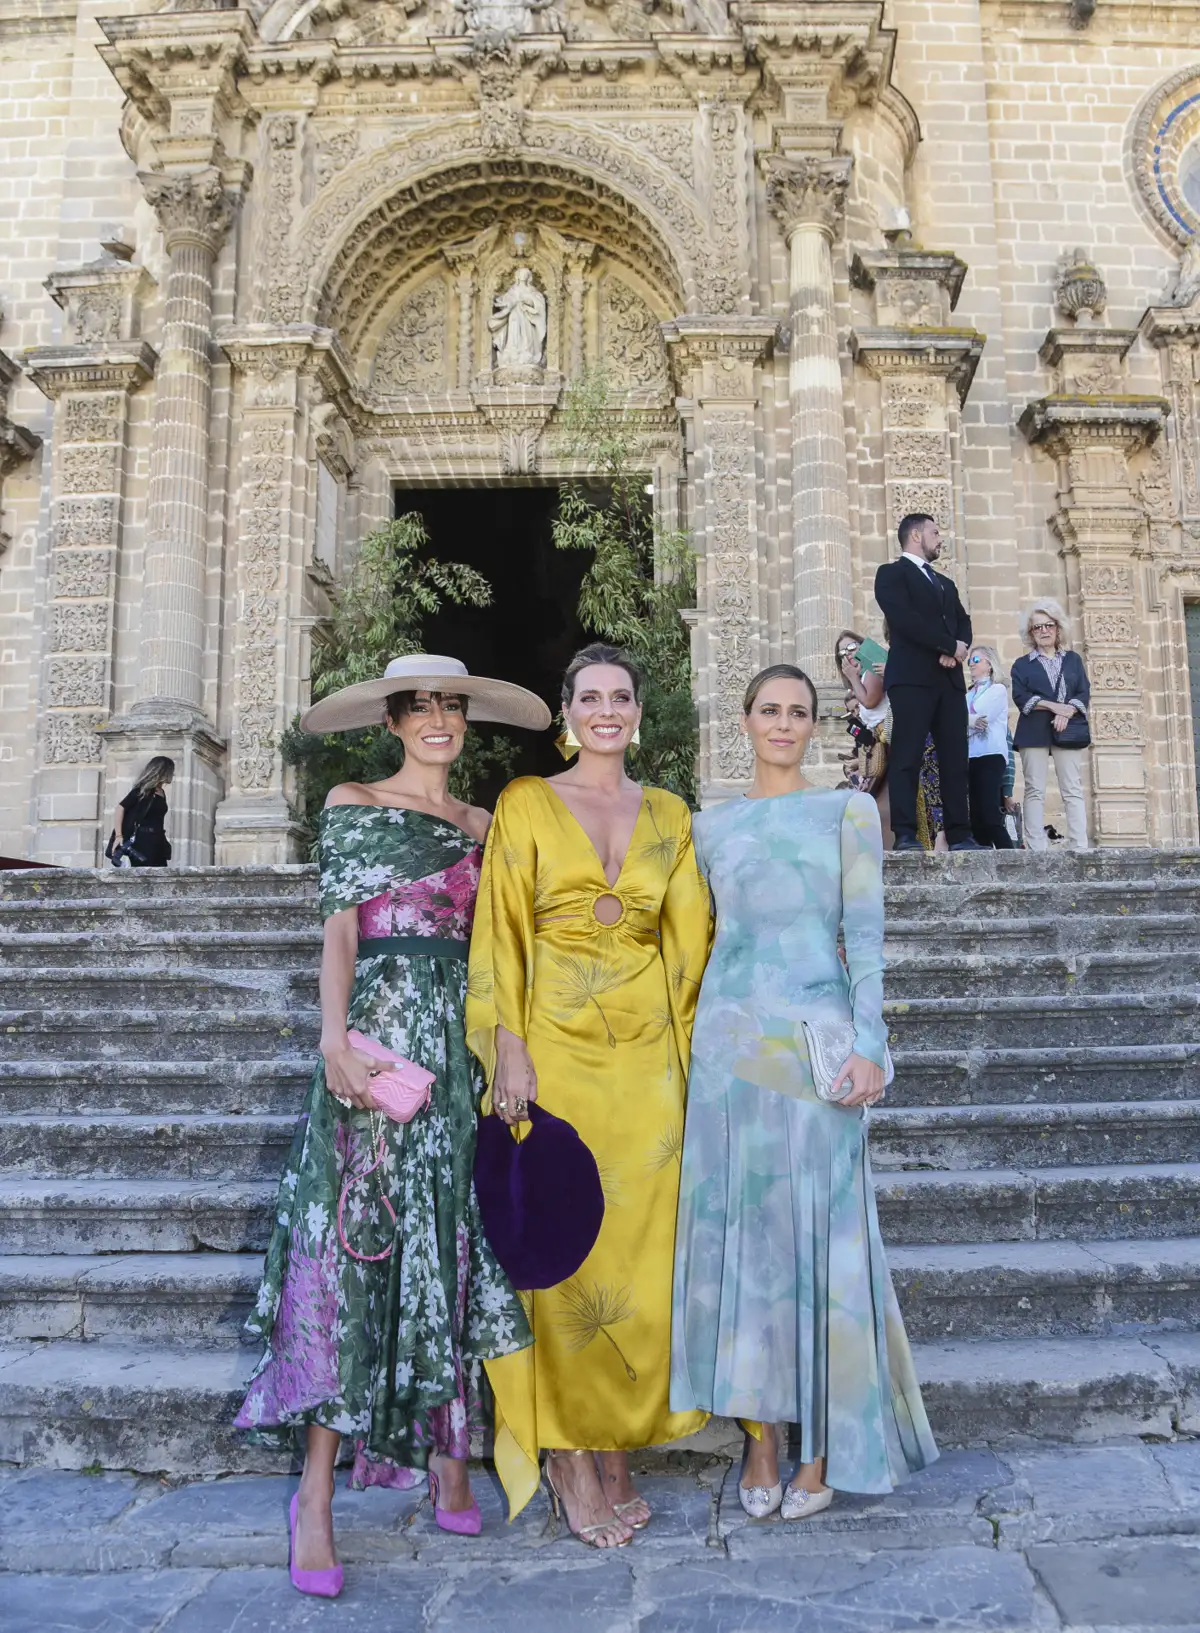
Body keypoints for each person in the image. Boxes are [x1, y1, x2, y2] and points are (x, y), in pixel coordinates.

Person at [235, 655, 550, 1598]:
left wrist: (509, 1049)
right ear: (394, 720)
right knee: (349, 1257)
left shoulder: (488, 826)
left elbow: (498, 952)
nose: (440, 722)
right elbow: (339, 930)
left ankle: (450, 1454)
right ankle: (319, 1496)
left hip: (454, 1057)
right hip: (375, 1049)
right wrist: (335, 1040)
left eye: (452, 707)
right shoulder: (352, 798)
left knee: (449, 1242)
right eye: (422, 708)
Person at [670, 663, 938, 1522]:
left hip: (818, 1054)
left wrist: (872, 1045)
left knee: (824, 1251)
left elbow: (864, 934)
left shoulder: (847, 811)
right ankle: (761, 1440)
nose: (782, 723)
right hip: (729, 1054)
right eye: (768, 710)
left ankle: (821, 1451)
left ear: (813, 725)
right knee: (746, 1249)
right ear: (742, 722)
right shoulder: (708, 826)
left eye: (797, 712)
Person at [465, 642, 711, 1549]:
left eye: (621, 695)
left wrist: (699, 1066)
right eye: (590, 697)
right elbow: (500, 931)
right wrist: (507, 1049)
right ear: (568, 714)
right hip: (556, 1056)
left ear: (638, 711)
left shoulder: (671, 813)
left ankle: (617, 1440)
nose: (607, 709)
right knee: (565, 1251)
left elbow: (689, 950)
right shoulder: (526, 803)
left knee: (640, 1263)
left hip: (649, 1067)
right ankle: (566, 1448)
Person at [873, 514, 983, 851]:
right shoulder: (891, 574)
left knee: (954, 758)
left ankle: (960, 833)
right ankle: (905, 833)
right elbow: (904, 619)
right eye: (935, 532)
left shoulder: (945, 583)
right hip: (912, 679)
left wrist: (958, 649)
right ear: (916, 535)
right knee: (907, 755)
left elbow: (963, 622)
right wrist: (948, 646)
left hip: (948, 681)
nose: (941, 538)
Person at [1011, 600, 1091, 851]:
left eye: (1049, 625)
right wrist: (1055, 707)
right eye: (1037, 627)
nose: (1044, 631)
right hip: (1033, 731)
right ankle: (1036, 847)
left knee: (1072, 788)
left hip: (1067, 729)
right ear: (1030, 633)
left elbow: (1083, 691)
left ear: (1058, 628)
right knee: (1035, 788)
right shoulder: (1022, 664)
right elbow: (1021, 696)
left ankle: (1079, 846)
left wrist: (1066, 712)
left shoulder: (1073, 660)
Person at [834, 629, 892, 849]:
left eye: (851, 647)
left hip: (889, 742)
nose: (848, 654)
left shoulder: (872, 669)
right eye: (842, 653)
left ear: (862, 645)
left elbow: (869, 701)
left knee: (883, 805)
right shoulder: (861, 677)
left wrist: (851, 678)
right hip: (878, 745)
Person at [965, 644, 1014, 850]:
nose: (971, 665)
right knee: (976, 817)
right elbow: (957, 721)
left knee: (989, 813)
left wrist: (966, 719)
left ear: (990, 664)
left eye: (976, 660)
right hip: (971, 756)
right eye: (969, 661)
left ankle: (1012, 861)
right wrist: (969, 720)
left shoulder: (998, 689)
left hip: (991, 755)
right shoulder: (967, 695)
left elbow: (983, 715)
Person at [104, 757, 174, 867]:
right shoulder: (142, 790)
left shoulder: (161, 792)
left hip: (158, 840)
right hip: (143, 840)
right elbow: (120, 808)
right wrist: (119, 836)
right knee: (145, 874)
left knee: (160, 875)